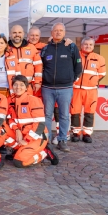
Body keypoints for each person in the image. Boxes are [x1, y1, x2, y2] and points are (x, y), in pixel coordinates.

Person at [40, 23, 82, 152]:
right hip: (47, 88)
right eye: (55, 30)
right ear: (51, 32)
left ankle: (62, 140)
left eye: (60, 30)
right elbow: (39, 67)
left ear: (64, 32)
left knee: (64, 115)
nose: (58, 33)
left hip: (65, 88)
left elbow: (78, 65)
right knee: (47, 115)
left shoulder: (71, 47)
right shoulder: (46, 49)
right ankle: (47, 140)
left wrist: (72, 79)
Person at [7, 75, 59, 167]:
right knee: (1, 130)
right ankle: (18, 149)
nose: (18, 87)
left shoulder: (33, 100)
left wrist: (27, 140)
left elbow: (40, 125)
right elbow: (9, 119)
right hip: (21, 134)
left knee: (19, 162)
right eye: (15, 84)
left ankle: (43, 154)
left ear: (26, 87)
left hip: (36, 137)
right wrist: (16, 129)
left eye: (21, 85)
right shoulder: (10, 100)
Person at [70, 37, 106, 143]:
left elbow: (102, 74)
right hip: (76, 89)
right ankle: (76, 133)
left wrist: (91, 81)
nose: (88, 46)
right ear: (81, 46)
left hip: (91, 90)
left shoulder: (100, 58)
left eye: (90, 45)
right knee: (74, 111)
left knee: (89, 112)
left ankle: (87, 134)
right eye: (85, 44)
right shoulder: (75, 56)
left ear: (93, 46)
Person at [7, 25, 42, 95]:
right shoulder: (5, 48)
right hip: (10, 88)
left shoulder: (31, 48)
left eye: (19, 32)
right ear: (10, 34)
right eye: (14, 33)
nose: (17, 35)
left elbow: (38, 66)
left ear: (23, 34)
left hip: (28, 87)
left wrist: (37, 82)